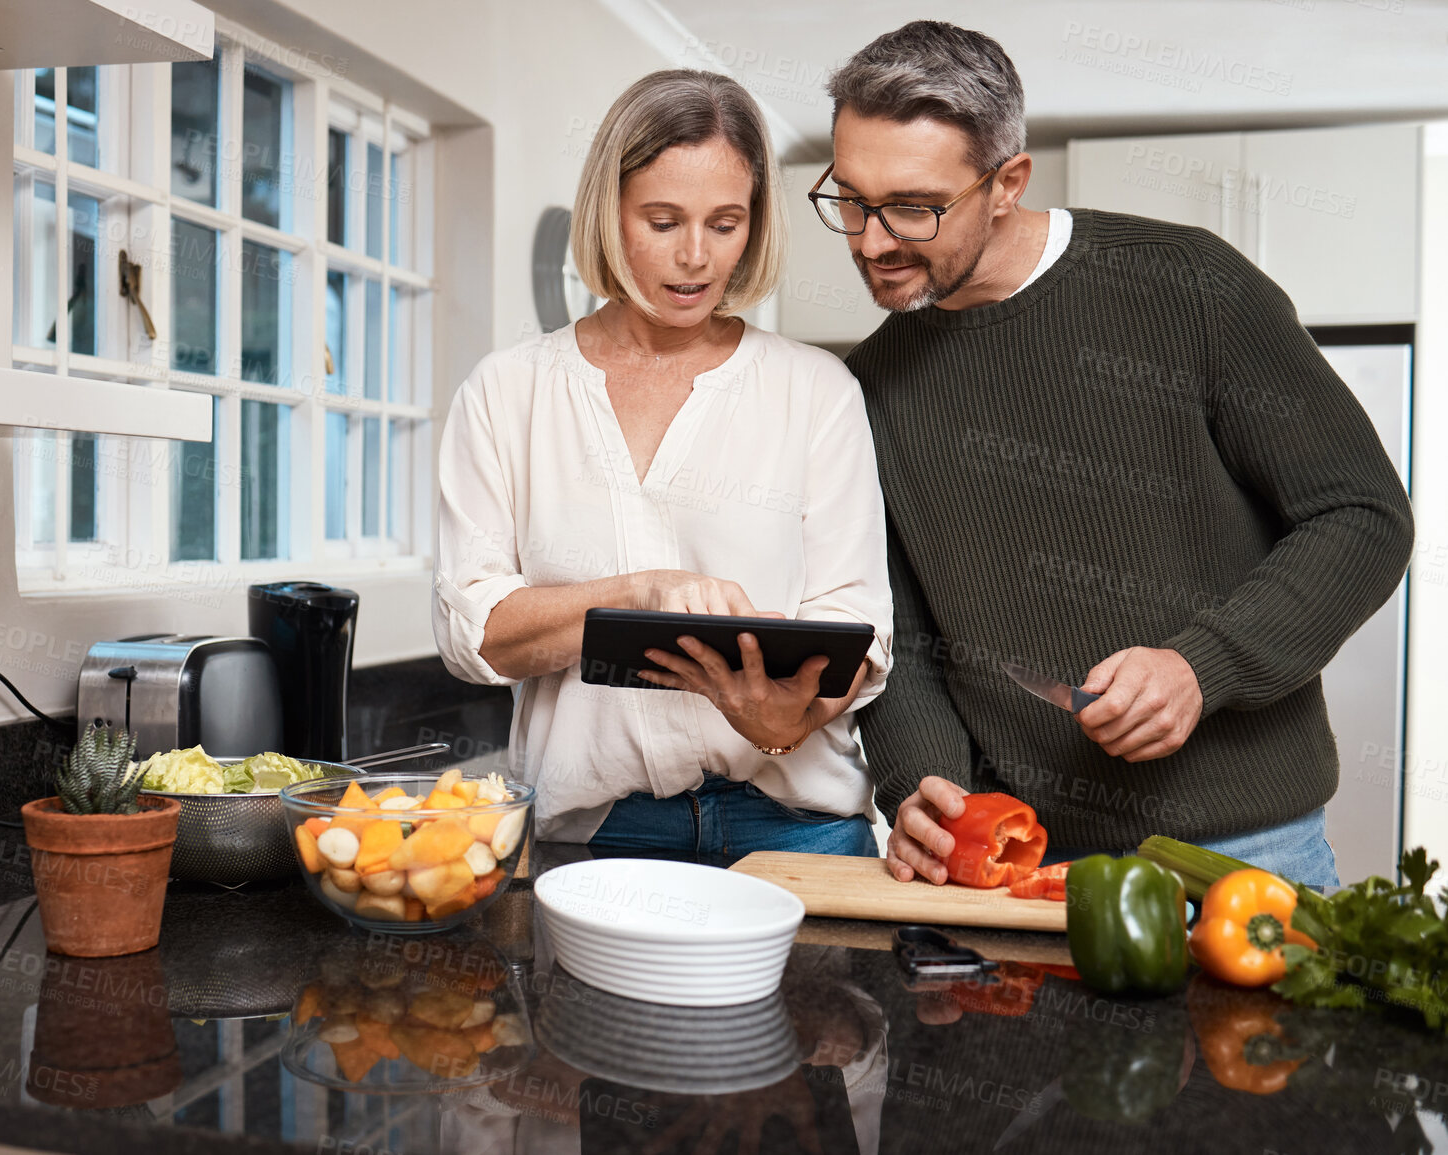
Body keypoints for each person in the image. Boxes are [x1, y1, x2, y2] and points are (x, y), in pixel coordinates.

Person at [818, 22, 1413, 888]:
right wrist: (922, 788)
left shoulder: (1192, 287)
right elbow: (901, 634)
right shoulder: (866, 385)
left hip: (1244, 851)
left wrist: (1199, 667)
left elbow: (1360, 515)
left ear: (1006, 183)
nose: (871, 241)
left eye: (913, 207)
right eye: (850, 199)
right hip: (1022, 860)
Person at [432, 69, 894, 858]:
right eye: (661, 219)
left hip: (799, 825)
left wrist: (789, 719)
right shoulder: (508, 391)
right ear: (609, 213)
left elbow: (857, 629)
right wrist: (641, 595)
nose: (694, 258)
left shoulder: (815, 388)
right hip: (602, 827)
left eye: (724, 223)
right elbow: (475, 635)